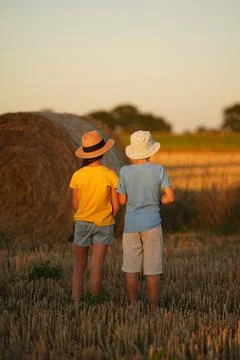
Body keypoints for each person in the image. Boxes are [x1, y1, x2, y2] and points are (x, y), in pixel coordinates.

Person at [117, 130, 175, 306]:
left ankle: (134, 303)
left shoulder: (125, 171)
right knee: (152, 269)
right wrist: (158, 200)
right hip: (153, 224)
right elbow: (170, 197)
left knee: (131, 268)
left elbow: (122, 200)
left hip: (131, 225)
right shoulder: (159, 170)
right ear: (151, 151)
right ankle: (153, 306)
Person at [69, 130, 119, 301]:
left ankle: (76, 300)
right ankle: (94, 299)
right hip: (104, 224)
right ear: (103, 152)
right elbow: (116, 205)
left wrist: (83, 213)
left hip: (82, 222)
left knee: (79, 265)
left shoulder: (78, 175)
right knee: (97, 264)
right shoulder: (110, 174)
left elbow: (75, 203)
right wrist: (111, 217)